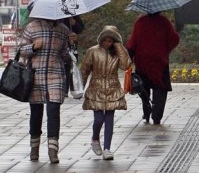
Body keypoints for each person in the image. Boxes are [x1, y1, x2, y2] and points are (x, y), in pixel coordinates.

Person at [19, 16, 71, 164]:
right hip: (35, 76)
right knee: (36, 114)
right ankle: (34, 149)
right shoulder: (32, 27)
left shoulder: (63, 30)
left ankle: (53, 151)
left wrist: (71, 44)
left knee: (53, 111)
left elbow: (65, 55)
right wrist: (33, 47)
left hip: (56, 75)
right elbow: (21, 50)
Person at [80, 26, 130, 161]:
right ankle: (95, 138)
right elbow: (84, 70)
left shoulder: (117, 52)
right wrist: (80, 88)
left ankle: (107, 148)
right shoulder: (93, 51)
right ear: (101, 40)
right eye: (105, 40)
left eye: (111, 41)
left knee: (109, 119)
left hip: (112, 88)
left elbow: (126, 65)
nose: (108, 43)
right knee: (98, 119)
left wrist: (119, 46)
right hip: (96, 88)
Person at [126, 11, 180, 125]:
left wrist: (130, 56)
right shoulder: (164, 22)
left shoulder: (140, 22)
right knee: (160, 89)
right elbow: (174, 39)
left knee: (143, 88)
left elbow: (132, 42)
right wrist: (165, 50)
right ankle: (157, 116)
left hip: (142, 61)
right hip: (159, 61)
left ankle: (146, 112)